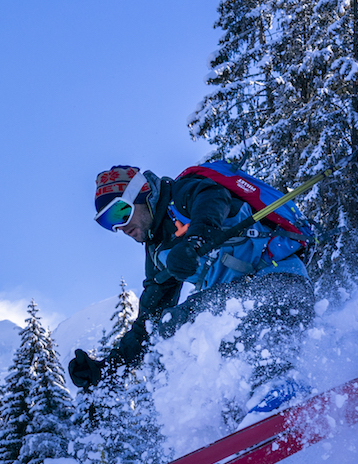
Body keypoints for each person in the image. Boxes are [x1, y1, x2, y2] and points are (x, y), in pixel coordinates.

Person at [69, 165, 315, 413]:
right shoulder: (158, 251)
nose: (120, 227)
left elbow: (212, 198)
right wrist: (108, 368)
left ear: (141, 193)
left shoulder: (181, 194)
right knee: (169, 331)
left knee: (182, 324)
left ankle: (278, 389)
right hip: (239, 313)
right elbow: (149, 321)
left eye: (121, 212)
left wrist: (195, 240)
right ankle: (244, 423)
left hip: (276, 286)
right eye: (108, 222)